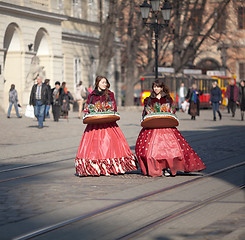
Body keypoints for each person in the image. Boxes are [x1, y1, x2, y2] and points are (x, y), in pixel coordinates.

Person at [135, 80, 206, 177]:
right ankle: (158, 167)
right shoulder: (148, 100)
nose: (156, 88)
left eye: (158, 86)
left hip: (167, 127)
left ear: (162, 88)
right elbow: (145, 112)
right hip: (153, 127)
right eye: (154, 87)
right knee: (151, 151)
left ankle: (169, 167)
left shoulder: (168, 99)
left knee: (171, 150)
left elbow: (172, 111)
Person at [75, 76, 137, 176]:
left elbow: (114, 107)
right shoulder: (92, 95)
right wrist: (91, 111)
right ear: (97, 83)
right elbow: (87, 108)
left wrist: (107, 110)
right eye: (102, 82)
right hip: (94, 124)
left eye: (105, 82)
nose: (104, 84)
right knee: (94, 147)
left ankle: (112, 167)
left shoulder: (110, 94)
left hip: (108, 123)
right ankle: (95, 168)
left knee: (109, 144)